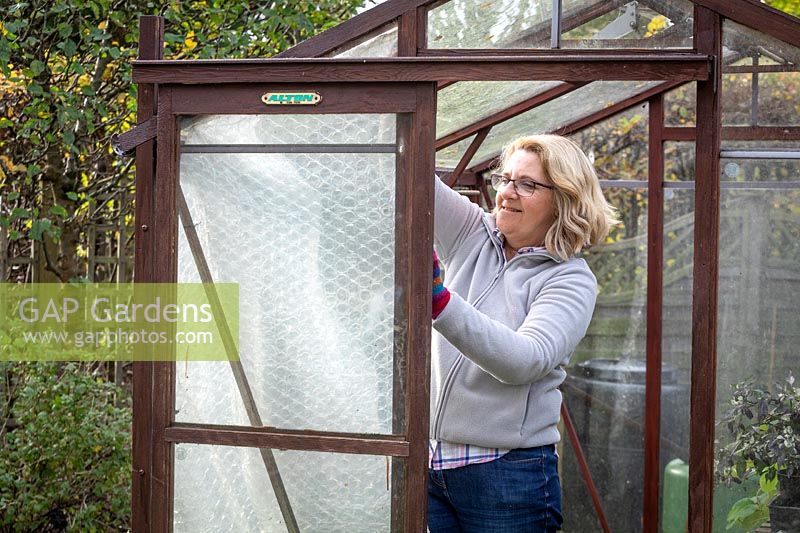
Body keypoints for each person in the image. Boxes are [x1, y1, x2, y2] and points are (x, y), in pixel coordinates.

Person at [428, 134, 618, 532]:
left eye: (526, 184)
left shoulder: (569, 279)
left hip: (507, 475)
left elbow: (524, 360)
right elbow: (411, 181)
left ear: (563, 200)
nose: (506, 193)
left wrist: (441, 303)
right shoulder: (472, 233)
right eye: (504, 179)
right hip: (429, 464)